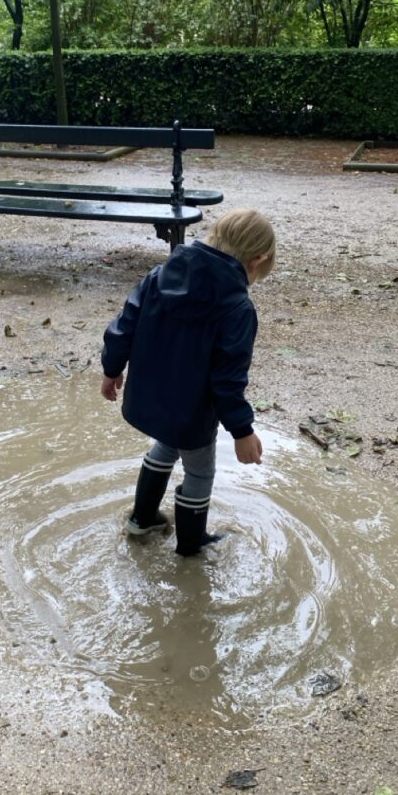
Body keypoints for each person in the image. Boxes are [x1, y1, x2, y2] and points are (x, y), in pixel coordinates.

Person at [100, 208, 275, 556]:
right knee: (199, 472)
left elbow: (124, 325)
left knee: (165, 443)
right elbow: (227, 379)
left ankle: (143, 519)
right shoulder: (237, 307)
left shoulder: (160, 274)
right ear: (256, 262)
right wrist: (243, 431)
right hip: (192, 412)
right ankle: (192, 548)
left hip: (151, 398)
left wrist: (111, 368)